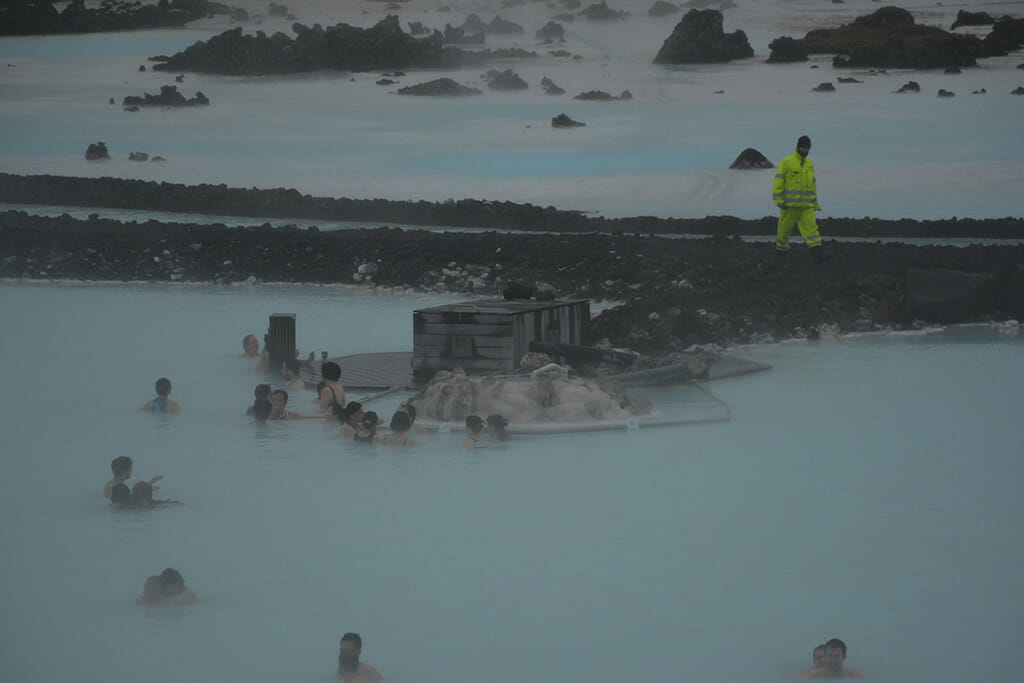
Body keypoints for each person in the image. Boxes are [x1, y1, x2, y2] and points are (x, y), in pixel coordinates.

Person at [772, 135, 827, 262]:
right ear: (798, 147)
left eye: (807, 148)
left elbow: (812, 184)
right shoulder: (787, 162)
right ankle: (781, 251)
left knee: (812, 230)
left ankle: (818, 254)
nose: (805, 151)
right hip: (789, 206)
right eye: (803, 147)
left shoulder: (810, 163)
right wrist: (778, 200)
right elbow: (778, 181)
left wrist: (815, 202)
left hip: (806, 206)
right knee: (784, 230)